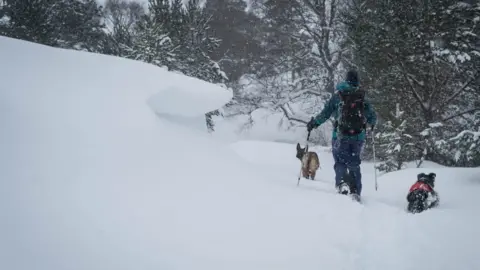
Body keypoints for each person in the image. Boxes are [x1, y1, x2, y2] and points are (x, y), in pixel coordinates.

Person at [306, 70, 377, 197]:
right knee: (354, 162)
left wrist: (314, 123)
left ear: (346, 80)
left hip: (340, 136)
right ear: (357, 81)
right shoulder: (362, 97)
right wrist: (370, 124)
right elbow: (372, 117)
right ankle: (355, 190)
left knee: (340, 161)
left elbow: (325, 114)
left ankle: (342, 184)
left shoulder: (338, 96)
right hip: (358, 136)